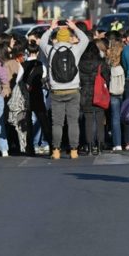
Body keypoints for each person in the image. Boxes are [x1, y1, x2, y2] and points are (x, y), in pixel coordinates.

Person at [39, 20, 90, 159]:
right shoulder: (75, 49)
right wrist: (74, 27)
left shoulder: (50, 50)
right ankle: (74, 150)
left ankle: (56, 150)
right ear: (68, 38)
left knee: (57, 123)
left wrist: (51, 29)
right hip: (73, 90)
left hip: (56, 91)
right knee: (73, 122)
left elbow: (42, 41)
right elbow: (85, 39)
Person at [78, 40, 110, 155]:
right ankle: (100, 146)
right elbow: (107, 78)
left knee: (88, 120)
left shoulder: (80, 63)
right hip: (99, 93)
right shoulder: (101, 62)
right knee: (100, 120)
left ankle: (90, 147)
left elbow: (79, 79)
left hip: (85, 93)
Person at [107, 40, 125, 151]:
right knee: (128, 116)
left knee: (115, 118)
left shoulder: (109, 62)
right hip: (123, 91)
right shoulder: (123, 61)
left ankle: (117, 143)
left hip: (113, 93)